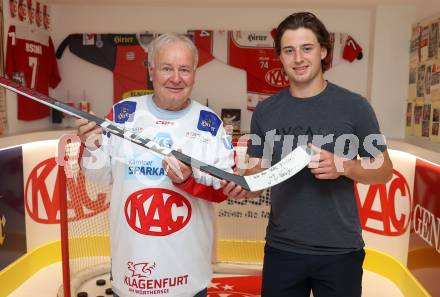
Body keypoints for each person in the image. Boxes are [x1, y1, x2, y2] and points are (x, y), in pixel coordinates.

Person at [222, 12, 393, 297]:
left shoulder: (355, 107)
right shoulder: (265, 111)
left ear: (323, 51)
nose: (298, 58)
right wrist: (243, 186)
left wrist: (345, 166)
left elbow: (384, 169)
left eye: (307, 48)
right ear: (281, 57)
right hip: (282, 249)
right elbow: (257, 172)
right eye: (289, 51)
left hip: (340, 250)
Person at [76, 33, 234, 297]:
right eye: (166, 68)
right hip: (131, 278)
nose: (176, 78)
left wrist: (188, 178)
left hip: (187, 279)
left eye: (184, 69)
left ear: (194, 74)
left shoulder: (209, 123)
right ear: (151, 71)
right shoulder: (123, 112)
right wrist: (91, 146)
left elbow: (222, 190)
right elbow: (100, 175)